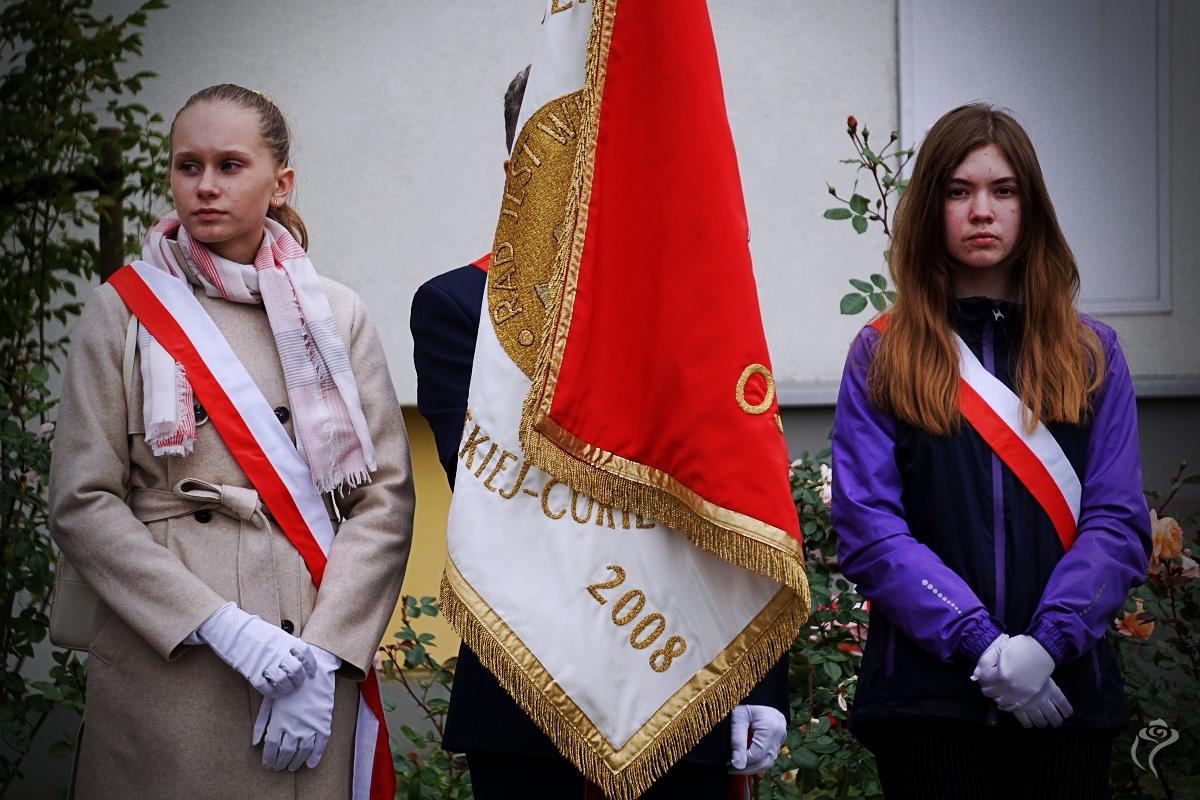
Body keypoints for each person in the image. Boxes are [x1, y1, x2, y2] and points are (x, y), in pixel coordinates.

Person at [410, 67, 788, 799]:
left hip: (685, 676)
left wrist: (757, 677)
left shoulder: (702, 307)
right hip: (528, 694)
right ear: (521, 167)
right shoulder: (460, 306)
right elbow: (493, 494)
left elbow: (743, 493)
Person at [49, 84, 414, 799]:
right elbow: (83, 501)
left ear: (280, 184)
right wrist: (218, 626)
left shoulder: (336, 314)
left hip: (303, 646)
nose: (206, 187)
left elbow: (384, 501)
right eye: (189, 166)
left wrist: (328, 654)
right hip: (170, 644)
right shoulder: (122, 310)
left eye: (230, 165)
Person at [831, 103, 1150, 799]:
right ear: (930, 209)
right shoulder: (881, 356)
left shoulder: (1093, 354)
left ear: (1030, 209)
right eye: (958, 190)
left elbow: (1118, 521)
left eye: (1003, 191)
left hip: (1064, 694)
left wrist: (1045, 646)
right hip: (927, 701)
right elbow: (870, 530)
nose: (982, 211)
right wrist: (985, 645)